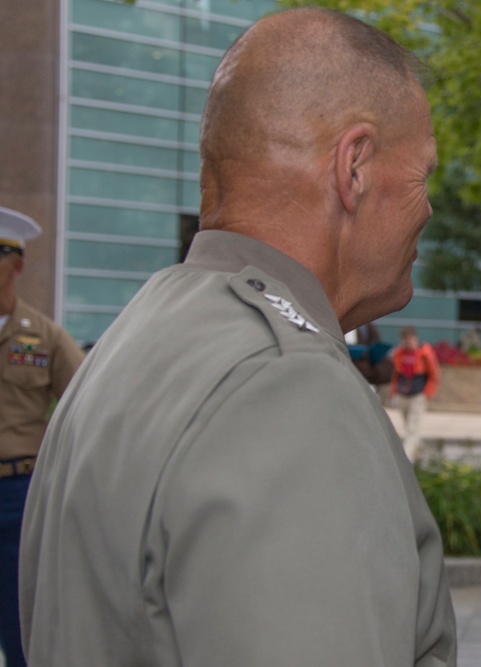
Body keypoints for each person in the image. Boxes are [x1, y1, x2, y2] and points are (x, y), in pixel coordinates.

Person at [20, 9, 456, 666]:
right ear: (354, 166)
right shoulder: (288, 388)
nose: (428, 207)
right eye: (424, 173)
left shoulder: (133, 341)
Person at [0, 207, 84, 667]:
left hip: (17, 497)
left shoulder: (45, 337)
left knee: (21, 627)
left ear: (18, 264)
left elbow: (89, 405)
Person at [390, 326, 441, 460]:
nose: (409, 343)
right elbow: (396, 374)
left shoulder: (424, 353)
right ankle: (420, 453)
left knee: (413, 428)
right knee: (409, 427)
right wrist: (394, 392)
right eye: (406, 340)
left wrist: (428, 393)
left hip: (418, 394)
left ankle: (407, 459)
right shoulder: (400, 353)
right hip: (403, 394)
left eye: (410, 339)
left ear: (415, 338)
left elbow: (434, 373)